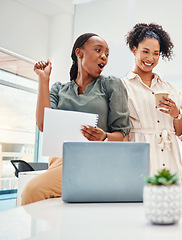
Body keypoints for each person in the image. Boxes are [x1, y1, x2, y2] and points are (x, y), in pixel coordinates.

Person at [21, 33, 131, 205]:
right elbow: (43, 124)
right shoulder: (59, 89)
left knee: (32, 189)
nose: (104, 57)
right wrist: (44, 79)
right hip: (58, 162)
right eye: (98, 50)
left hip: (93, 161)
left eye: (107, 54)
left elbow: (123, 136)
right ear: (79, 53)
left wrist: (104, 137)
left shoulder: (111, 85)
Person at [121, 23, 182, 185]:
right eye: (145, 52)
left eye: (156, 53)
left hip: (169, 156)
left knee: (171, 202)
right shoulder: (123, 86)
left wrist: (175, 114)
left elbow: (180, 131)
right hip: (141, 154)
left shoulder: (168, 87)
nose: (150, 58)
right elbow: (121, 129)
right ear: (134, 50)